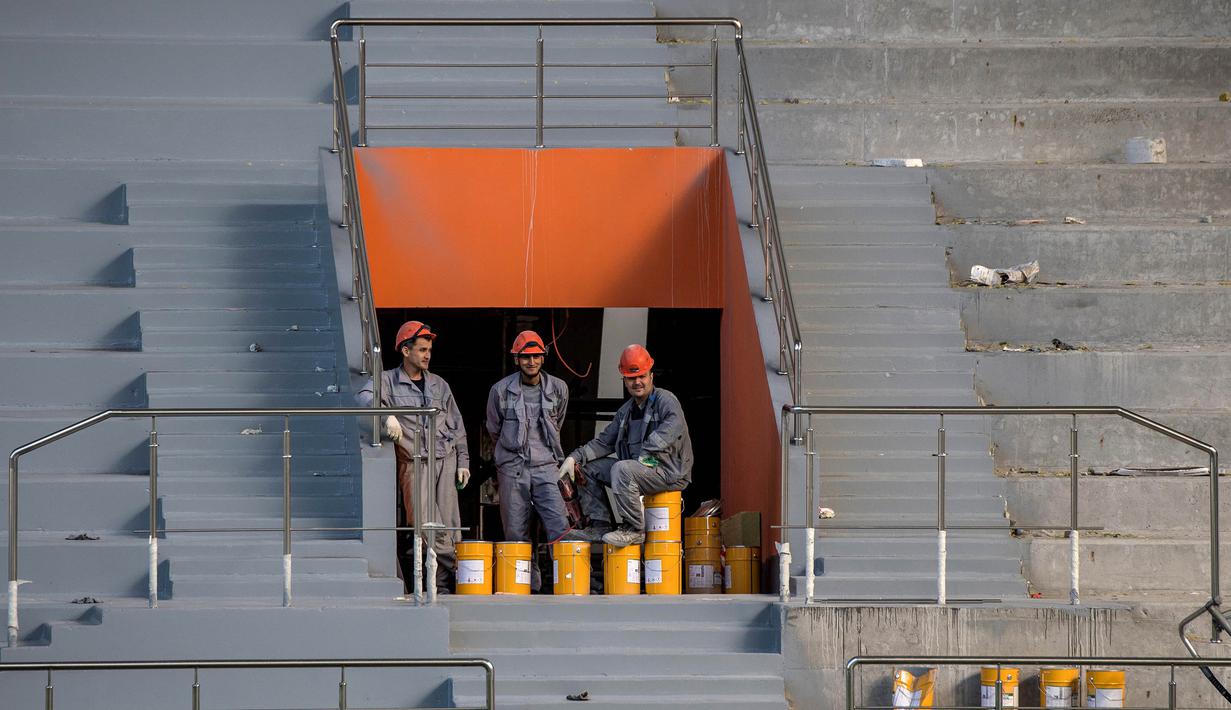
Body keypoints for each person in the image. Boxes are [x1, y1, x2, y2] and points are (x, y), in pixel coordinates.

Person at [356, 320, 470, 592]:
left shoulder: (439, 385)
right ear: (405, 351)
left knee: (450, 526)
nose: (427, 355)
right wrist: (387, 418)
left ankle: (441, 588)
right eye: (421, 349)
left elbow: (458, 425)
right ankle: (462, 566)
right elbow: (363, 398)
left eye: (429, 349)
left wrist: (463, 462)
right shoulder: (386, 381)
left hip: (446, 460)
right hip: (415, 461)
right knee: (422, 522)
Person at [558, 344, 693, 547]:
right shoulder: (626, 412)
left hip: (667, 472)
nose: (637, 382)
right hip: (637, 471)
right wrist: (574, 458)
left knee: (622, 468)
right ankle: (599, 524)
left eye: (642, 376)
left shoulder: (666, 400)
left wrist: (644, 454)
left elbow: (672, 428)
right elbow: (604, 443)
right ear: (625, 380)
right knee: (585, 469)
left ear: (651, 376)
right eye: (631, 378)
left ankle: (634, 529)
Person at [485, 331, 573, 585]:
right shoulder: (500, 391)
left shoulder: (558, 388)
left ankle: (565, 583)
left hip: (547, 467)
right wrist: (509, 456)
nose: (531, 361)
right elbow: (494, 429)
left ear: (543, 358)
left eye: (536, 356)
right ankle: (526, 585)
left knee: (559, 526)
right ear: (516, 359)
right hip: (513, 468)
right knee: (515, 532)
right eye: (525, 357)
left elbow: (559, 423)